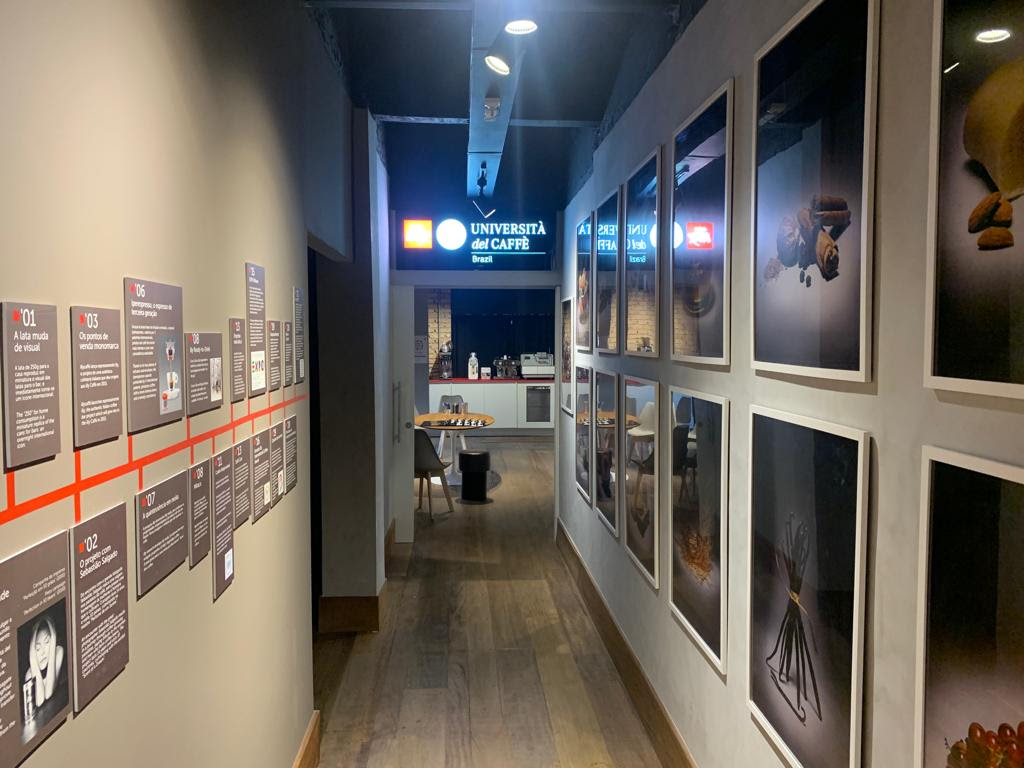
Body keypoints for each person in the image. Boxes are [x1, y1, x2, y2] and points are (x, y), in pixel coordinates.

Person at [25, 616, 64, 712]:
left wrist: (53, 637)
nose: (43, 652)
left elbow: (49, 692)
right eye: (37, 648)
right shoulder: (29, 674)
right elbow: (40, 700)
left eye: (47, 642)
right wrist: (32, 658)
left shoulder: (58, 651)